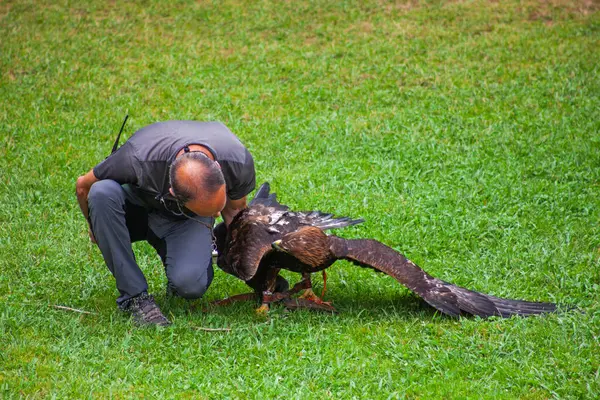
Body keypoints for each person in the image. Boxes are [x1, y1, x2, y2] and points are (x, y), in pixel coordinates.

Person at [76, 121, 256, 326]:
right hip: (135, 209)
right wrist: (94, 225)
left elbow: (235, 214)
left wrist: (256, 274)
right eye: (212, 211)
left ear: (218, 169)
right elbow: (83, 186)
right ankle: (135, 297)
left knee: (191, 285)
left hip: (182, 221)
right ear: (174, 194)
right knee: (102, 193)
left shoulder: (237, 162)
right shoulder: (137, 157)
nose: (217, 214)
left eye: (218, 207)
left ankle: (180, 259)